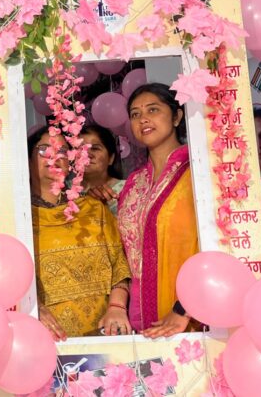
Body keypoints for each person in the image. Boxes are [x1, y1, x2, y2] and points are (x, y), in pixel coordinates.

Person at [28, 127, 131, 340]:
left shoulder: (94, 208)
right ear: (27, 160)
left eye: (62, 151)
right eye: (43, 150)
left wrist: (117, 307)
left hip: (103, 331)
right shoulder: (20, 219)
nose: (53, 156)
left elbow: (120, 268)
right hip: (44, 338)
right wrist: (31, 307)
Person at [117, 83, 200, 339]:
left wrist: (184, 307)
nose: (143, 119)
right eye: (135, 114)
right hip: (140, 319)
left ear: (176, 116)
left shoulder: (197, 171)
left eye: (153, 110)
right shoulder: (133, 183)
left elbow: (216, 246)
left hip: (189, 317)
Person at [81, 124, 126, 215]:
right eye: (80, 149)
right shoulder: (65, 191)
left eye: (95, 148)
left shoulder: (127, 189)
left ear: (111, 158)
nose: (87, 154)